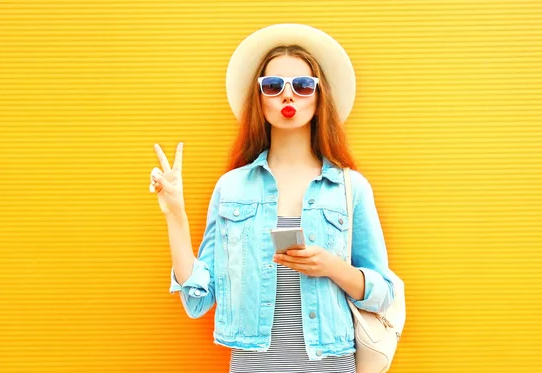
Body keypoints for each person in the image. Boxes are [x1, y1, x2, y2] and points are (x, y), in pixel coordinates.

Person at [150, 24, 401, 373]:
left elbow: (384, 293)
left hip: (331, 364)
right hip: (254, 365)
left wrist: (331, 267)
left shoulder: (350, 187)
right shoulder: (231, 188)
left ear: (319, 96)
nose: (288, 96)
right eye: (273, 86)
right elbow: (197, 301)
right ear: (259, 99)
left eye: (302, 85)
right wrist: (175, 213)